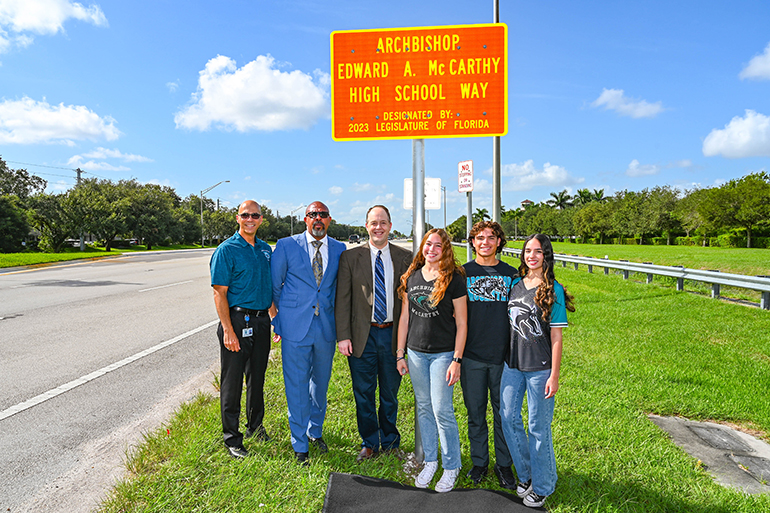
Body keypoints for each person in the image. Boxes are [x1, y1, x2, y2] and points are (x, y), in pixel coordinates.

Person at [501, 234, 575, 508]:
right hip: (512, 364)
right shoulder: (514, 285)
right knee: (508, 418)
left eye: (538, 251)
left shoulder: (553, 289)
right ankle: (528, 475)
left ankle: (543, 485)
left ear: (546, 255)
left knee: (538, 427)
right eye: (527, 251)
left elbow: (557, 337)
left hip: (540, 369)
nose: (531, 256)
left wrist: (554, 376)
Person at [271, 201, 346, 465]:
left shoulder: (339, 249)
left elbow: (338, 288)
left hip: (325, 328)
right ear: (305, 219)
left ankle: (315, 431)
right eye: (313, 214)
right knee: (296, 385)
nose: (318, 219)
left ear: (329, 220)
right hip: (294, 328)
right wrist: (278, 322)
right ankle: (299, 443)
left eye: (323, 215)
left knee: (320, 385)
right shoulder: (286, 246)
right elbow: (275, 288)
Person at [335, 205, 412, 462]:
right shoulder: (350, 258)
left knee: (390, 393)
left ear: (390, 226)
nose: (378, 227)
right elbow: (342, 299)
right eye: (373, 222)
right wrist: (343, 336)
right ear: (366, 226)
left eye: (383, 222)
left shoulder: (406, 258)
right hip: (361, 336)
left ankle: (390, 441)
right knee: (364, 392)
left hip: (392, 336)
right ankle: (369, 442)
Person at [396, 228, 467, 493]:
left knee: (442, 410)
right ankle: (430, 461)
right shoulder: (412, 277)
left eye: (438, 246)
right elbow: (405, 319)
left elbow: (462, 323)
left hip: (443, 355)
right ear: (422, 247)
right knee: (424, 408)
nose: (432, 250)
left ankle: (451, 466)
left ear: (445, 249)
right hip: (415, 353)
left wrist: (456, 359)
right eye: (428, 245)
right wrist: (400, 353)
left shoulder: (454, 279)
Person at [210, 200, 274, 459]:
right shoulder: (226, 250)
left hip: (261, 322)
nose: (250, 219)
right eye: (245, 215)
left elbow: (267, 288)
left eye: (255, 215)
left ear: (261, 219)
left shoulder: (264, 249)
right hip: (237, 321)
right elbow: (219, 293)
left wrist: (274, 319)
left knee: (257, 378)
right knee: (232, 382)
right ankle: (232, 438)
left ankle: (255, 427)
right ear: (237, 218)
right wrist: (227, 330)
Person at [461, 221, 518, 488]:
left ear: (499, 242)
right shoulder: (462, 273)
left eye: (491, 237)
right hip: (471, 356)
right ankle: (479, 462)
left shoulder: (511, 274)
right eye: (479, 238)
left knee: (503, 414)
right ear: (472, 242)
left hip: (503, 358)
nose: (485, 242)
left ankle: (504, 465)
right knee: (475, 414)